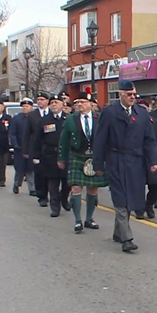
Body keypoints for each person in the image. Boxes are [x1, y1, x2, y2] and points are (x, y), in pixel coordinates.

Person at [93, 79, 157, 253]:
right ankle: (127, 238)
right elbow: (100, 140)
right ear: (120, 95)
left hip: (136, 161)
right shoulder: (109, 113)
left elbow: (149, 140)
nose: (132, 97)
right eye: (129, 95)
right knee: (120, 198)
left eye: (134, 94)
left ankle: (118, 232)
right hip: (116, 159)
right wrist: (98, 163)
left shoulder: (142, 113)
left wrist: (153, 161)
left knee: (131, 198)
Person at [58, 91, 109, 233]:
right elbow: (63, 140)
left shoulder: (99, 118)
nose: (79, 105)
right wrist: (61, 158)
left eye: (83, 102)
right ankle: (77, 221)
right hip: (77, 155)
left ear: (91, 104)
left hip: (95, 156)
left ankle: (89, 218)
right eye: (77, 102)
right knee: (76, 188)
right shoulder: (70, 119)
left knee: (93, 188)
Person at [32, 93, 71, 218]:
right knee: (53, 183)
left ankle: (64, 199)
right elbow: (38, 139)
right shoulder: (45, 120)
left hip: (65, 155)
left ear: (62, 104)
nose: (54, 105)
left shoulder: (69, 118)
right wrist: (36, 155)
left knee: (67, 182)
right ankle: (55, 207)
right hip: (50, 156)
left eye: (57, 102)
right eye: (52, 103)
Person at [23, 92, 51, 205]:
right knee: (39, 173)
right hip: (37, 148)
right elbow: (27, 134)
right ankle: (42, 196)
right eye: (38, 99)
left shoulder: (52, 114)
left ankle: (53, 194)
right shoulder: (32, 115)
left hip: (50, 148)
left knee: (51, 173)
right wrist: (25, 150)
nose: (40, 101)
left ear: (47, 101)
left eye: (42, 99)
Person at [9, 98, 35, 195]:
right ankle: (16, 184)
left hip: (31, 147)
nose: (25, 108)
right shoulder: (17, 118)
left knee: (30, 168)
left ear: (31, 107)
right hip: (19, 148)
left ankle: (32, 188)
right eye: (23, 106)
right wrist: (15, 144)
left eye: (27, 106)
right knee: (20, 169)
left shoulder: (34, 117)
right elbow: (12, 133)